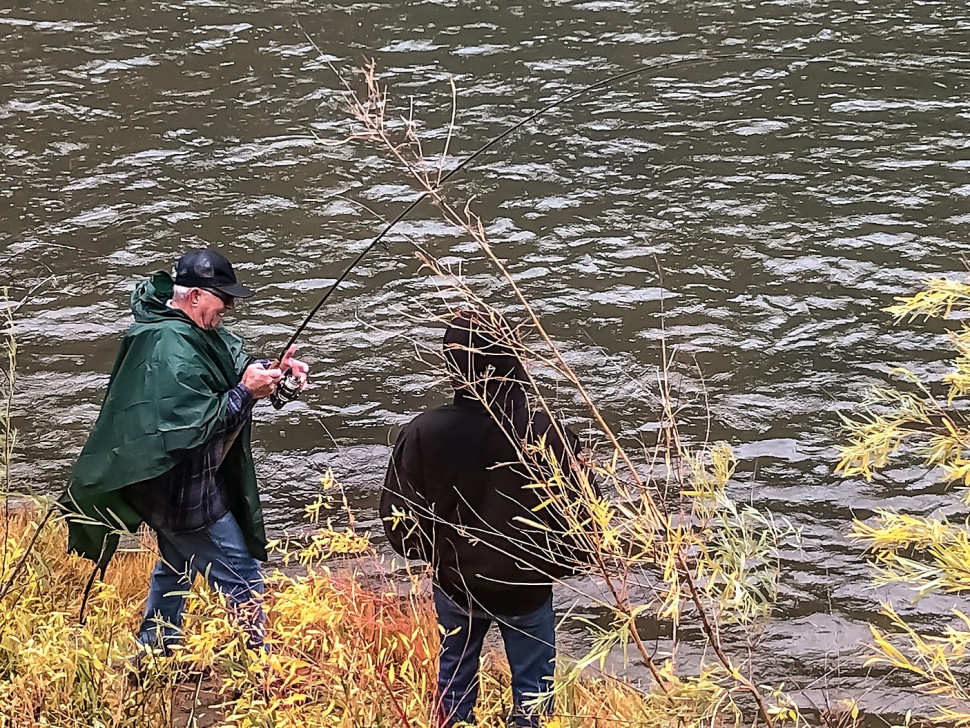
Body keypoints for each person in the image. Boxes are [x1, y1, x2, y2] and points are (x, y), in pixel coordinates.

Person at [60, 248, 308, 655]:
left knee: (176, 566)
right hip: (183, 495)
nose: (228, 306)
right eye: (221, 297)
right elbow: (192, 426)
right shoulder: (165, 347)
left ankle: (154, 653)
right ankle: (259, 673)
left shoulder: (186, 329)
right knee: (243, 577)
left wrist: (275, 373)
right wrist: (247, 392)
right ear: (195, 296)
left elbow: (226, 367)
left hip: (170, 489)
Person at [380, 310, 595, 728]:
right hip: (526, 589)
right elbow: (584, 520)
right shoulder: (547, 433)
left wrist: (440, 556)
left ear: (454, 366)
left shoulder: (424, 431)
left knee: (454, 683)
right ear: (512, 360)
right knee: (534, 694)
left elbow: (398, 522)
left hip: (457, 584)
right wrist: (553, 568)